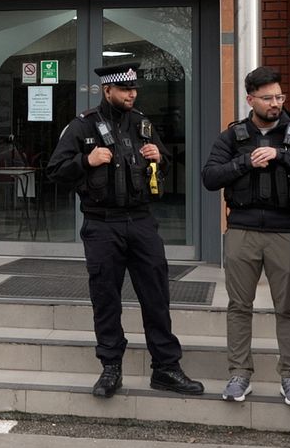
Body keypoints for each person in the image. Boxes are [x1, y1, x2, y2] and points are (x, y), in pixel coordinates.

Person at [46, 62, 203, 398]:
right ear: (108, 91)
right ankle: (110, 368)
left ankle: (166, 368)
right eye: (125, 90)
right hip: (102, 224)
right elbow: (55, 170)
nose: (132, 94)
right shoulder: (82, 126)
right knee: (106, 298)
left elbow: (165, 162)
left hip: (142, 222)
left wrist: (158, 155)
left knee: (156, 296)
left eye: (134, 89)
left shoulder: (142, 124)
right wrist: (86, 161)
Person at [201, 65, 290, 405]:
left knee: (287, 307)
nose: (275, 103)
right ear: (250, 99)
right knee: (239, 306)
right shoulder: (232, 137)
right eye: (268, 97)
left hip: (284, 232)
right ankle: (239, 374)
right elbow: (210, 177)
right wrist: (245, 164)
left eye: (279, 96)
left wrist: (283, 156)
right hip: (241, 231)